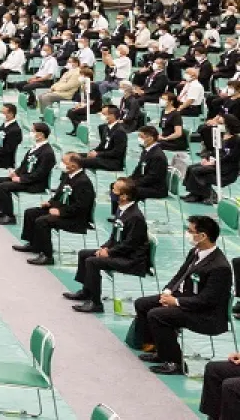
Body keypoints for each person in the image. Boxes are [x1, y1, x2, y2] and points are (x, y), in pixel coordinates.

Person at [128, 215, 232, 375]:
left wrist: (175, 302)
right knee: (142, 304)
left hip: (205, 315)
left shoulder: (220, 267)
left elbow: (207, 301)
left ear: (203, 236)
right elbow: (180, 274)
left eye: (190, 231)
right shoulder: (195, 251)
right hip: (185, 299)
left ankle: (175, 363)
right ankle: (159, 348)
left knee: (157, 315)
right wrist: (167, 292)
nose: (187, 233)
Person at [65, 176, 152, 315]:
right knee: (84, 254)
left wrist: (110, 253)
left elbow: (130, 244)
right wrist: (105, 247)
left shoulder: (135, 217)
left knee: (92, 262)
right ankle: (86, 291)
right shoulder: (121, 209)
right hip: (121, 252)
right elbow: (114, 237)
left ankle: (96, 303)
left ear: (124, 196)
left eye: (115, 190)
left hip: (132, 260)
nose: (112, 191)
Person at [14, 152, 95, 265]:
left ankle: (47, 256)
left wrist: (60, 212)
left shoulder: (83, 182)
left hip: (75, 219)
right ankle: (34, 245)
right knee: (31, 213)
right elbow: (58, 194)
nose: (61, 164)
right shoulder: (68, 175)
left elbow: (81, 207)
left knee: (43, 221)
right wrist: (50, 203)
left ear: (73, 166)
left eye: (64, 162)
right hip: (62, 210)